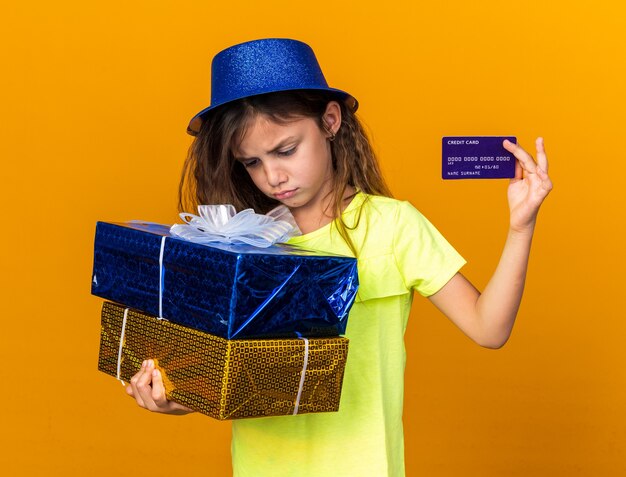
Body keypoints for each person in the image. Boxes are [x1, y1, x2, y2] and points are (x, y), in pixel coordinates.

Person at [125, 38, 553, 476]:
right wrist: (172, 397)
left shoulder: (392, 226)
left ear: (330, 121)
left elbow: (489, 327)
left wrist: (521, 226)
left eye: (286, 150)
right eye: (251, 162)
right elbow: (224, 377)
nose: (273, 176)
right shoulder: (242, 242)